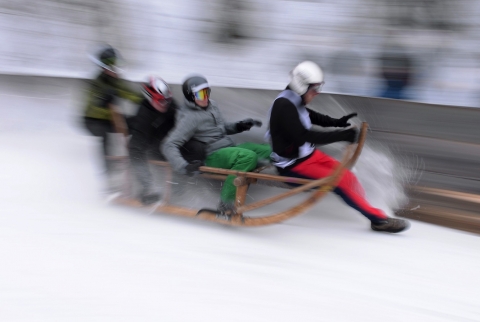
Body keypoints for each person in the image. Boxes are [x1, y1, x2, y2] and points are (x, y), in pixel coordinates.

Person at [268, 61, 410, 233]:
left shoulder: (292, 98)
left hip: (308, 156)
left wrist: (337, 122)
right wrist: (342, 136)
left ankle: (370, 210)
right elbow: (303, 136)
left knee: (348, 176)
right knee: (340, 181)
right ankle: (379, 220)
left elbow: (309, 115)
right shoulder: (283, 105)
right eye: (314, 89)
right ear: (301, 86)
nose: (317, 93)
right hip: (292, 167)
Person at [161, 75, 272, 216]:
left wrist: (239, 126)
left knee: (265, 150)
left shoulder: (212, 105)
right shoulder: (189, 118)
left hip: (228, 148)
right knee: (248, 157)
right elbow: (169, 144)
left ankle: (288, 171)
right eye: (200, 94)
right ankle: (225, 204)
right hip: (212, 156)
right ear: (190, 96)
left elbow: (220, 128)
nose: (205, 96)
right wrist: (183, 166)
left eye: (207, 91)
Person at [82, 45, 142, 172]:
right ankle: (108, 170)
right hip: (92, 120)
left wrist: (146, 100)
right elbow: (91, 108)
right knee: (104, 135)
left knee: (136, 124)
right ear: (104, 68)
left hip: (111, 116)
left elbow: (130, 94)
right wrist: (102, 102)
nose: (116, 71)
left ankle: (137, 156)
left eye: (117, 67)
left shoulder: (116, 81)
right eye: (113, 67)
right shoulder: (96, 83)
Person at [128, 76, 178, 205]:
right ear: (151, 99)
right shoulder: (143, 117)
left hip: (171, 141)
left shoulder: (170, 105)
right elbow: (135, 150)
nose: (166, 104)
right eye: (161, 101)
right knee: (134, 151)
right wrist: (148, 185)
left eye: (168, 100)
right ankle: (149, 188)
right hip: (153, 147)